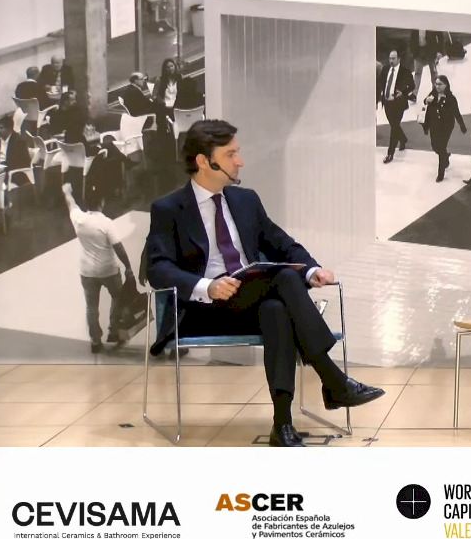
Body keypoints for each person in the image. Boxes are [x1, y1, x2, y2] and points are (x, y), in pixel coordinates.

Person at [145, 119, 386, 447]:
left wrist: (312, 270)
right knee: (283, 281)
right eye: (231, 154)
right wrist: (206, 286)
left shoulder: (245, 200)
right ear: (204, 161)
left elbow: (281, 243)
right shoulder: (168, 209)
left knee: (276, 309)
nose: (240, 161)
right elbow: (157, 268)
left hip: (251, 304)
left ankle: (282, 424)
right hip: (203, 310)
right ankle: (333, 380)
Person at [62, 182, 134, 354]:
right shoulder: (106, 223)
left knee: (91, 307)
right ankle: (114, 330)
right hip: (108, 270)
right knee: (118, 297)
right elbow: (118, 247)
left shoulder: (78, 218)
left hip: (87, 272)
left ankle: (95, 341)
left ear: (86, 203)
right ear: (102, 202)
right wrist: (128, 266)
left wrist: (67, 191)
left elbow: (71, 203)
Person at [421, 75, 467, 183]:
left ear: (446, 85)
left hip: (446, 127)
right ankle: (445, 156)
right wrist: (426, 100)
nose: (437, 86)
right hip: (434, 125)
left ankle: (441, 173)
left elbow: (456, 113)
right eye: (436, 84)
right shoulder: (433, 94)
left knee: (441, 147)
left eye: (440, 84)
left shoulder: (451, 98)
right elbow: (425, 102)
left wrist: (462, 125)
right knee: (435, 146)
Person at [377, 49, 416, 164]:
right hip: (387, 102)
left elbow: (412, 85)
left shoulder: (405, 72)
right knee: (394, 125)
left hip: (398, 103)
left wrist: (403, 92)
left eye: (393, 58)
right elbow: (380, 82)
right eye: (390, 58)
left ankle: (390, 153)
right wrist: (381, 94)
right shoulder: (385, 69)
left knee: (394, 127)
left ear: (399, 59)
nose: (391, 61)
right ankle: (403, 139)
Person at [0, 117, 32, 187]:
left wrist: (4, 166)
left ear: (9, 129)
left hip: (12, 171)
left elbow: (24, 162)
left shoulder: (19, 142)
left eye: (1, 128)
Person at [410, 29, 445, 95]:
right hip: (418, 51)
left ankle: (435, 92)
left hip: (431, 50)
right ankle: (414, 94)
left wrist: (439, 51)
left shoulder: (432, 24)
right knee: (417, 73)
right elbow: (413, 36)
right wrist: (412, 50)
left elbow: (440, 36)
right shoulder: (416, 24)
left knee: (433, 73)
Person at [153, 57, 184, 124]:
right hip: (165, 106)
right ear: (164, 69)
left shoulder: (180, 77)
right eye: (167, 67)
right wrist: (161, 101)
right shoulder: (160, 80)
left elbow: (183, 91)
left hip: (178, 105)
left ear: (175, 67)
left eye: (172, 66)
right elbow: (154, 95)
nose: (170, 68)